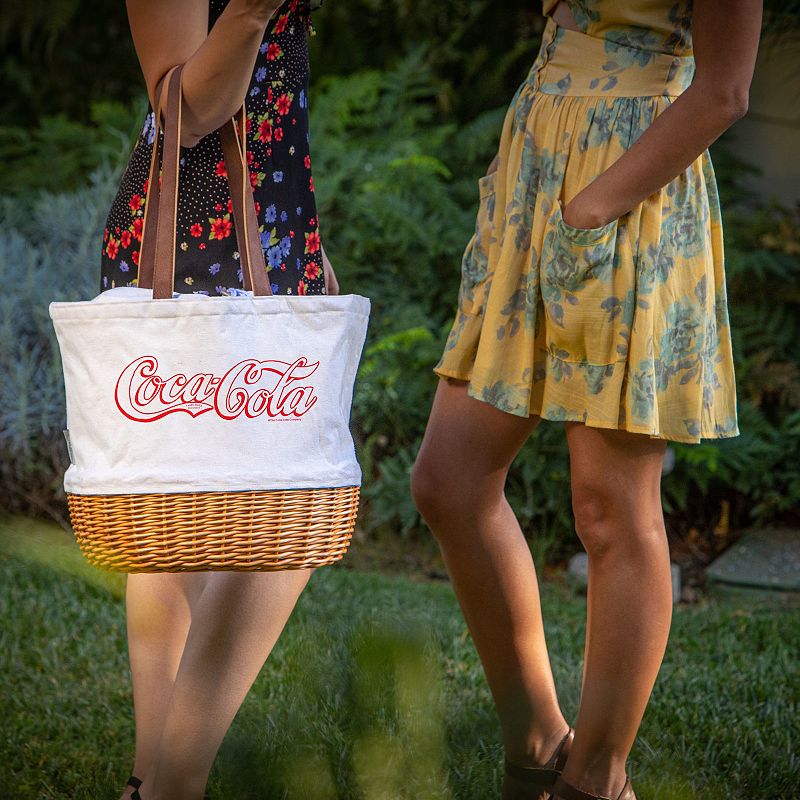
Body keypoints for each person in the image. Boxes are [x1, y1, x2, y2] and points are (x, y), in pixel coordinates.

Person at [411, 2, 761, 799]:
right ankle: (536, 747)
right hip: (536, 164)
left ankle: (596, 780)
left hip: (629, 189)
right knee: (449, 482)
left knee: (609, 507)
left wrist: (592, 207)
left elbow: (726, 90)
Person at [100, 2, 336, 799]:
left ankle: (152, 781)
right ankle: (175, 783)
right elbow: (190, 109)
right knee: (244, 510)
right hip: (187, 231)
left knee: (240, 513)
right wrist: (249, 14)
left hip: (276, 216)